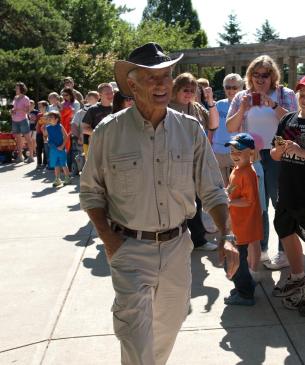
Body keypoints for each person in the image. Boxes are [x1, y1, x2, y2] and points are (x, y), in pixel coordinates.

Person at [79, 42, 239, 365]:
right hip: (130, 250)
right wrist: (110, 242)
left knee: (168, 327)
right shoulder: (108, 133)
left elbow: (213, 190)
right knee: (136, 339)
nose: (162, 84)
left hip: (178, 248)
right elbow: (91, 193)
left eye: (166, 76)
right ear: (132, 84)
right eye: (152, 78)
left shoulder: (191, 131)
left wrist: (227, 235)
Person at [226, 55, 298, 269]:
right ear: (250, 76)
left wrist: (273, 105)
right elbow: (230, 127)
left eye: (265, 75)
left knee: (281, 203)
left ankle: (285, 252)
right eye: (255, 75)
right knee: (258, 206)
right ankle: (263, 249)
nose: (260, 79)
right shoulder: (241, 96)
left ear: (273, 76)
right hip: (252, 157)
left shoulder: (285, 94)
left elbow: (295, 122)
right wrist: (243, 109)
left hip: (279, 155)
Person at [170, 72, 219, 251]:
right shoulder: (166, 107)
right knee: (176, 203)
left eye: (192, 90)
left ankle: (198, 240)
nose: (189, 93)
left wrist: (211, 101)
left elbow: (213, 125)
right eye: (185, 90)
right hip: (173, 163)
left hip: (195, 161)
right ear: (176, 90)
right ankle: (177, 241)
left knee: (196, 203)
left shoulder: (196, 107)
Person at [270, 77, 305, 309]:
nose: (304, 98)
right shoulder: (287, 119)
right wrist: (280, 149)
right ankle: (298, 277)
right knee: (284, 228)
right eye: (302, 93)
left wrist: (300, 151)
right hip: (288, 189)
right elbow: (273, 154)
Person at [224, 133, 263, 305]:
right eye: (232, 150)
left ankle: (246, 293)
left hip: (243, 226)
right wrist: (225, 193)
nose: (234, 154)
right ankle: (244, 285)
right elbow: (233, 188)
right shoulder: (238, 169)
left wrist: (229, 201)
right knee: (236, 259)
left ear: (251, 154)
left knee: (233, 261)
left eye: (239, 151)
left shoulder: (246, 173)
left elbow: (249, 200)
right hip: (237, 225)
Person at [212, 73, 243, 186]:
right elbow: (212, 127)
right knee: (222, 188)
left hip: (236, 151)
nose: (231, 90)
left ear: (241, 88)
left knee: (236, 186)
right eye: (228, 87)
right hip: (218, 151)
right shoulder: (219, 104)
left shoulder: (245, 105)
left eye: (234, 87)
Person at [81, 83, 113, 157]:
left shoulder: (117, 108)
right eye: (107, 93)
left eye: (111, 92)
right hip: (96, 147)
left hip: (112, 146)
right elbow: (84, 129)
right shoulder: (93, 109)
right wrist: (101, 134)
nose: (110, 95)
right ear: (100, 95)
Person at [43, 111, 71, 187]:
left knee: (63, 164)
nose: (49, 119)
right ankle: (57, 179)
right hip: (53, 149)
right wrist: (44, 133)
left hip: (61, 148)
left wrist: (62, 146)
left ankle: (67, 178)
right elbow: (45, 136)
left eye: (51, 118)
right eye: (48, 118)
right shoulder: (47, 127)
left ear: (57, 119)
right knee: (56, 165)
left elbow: (66, 136)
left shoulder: (60, 126)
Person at [11, 82, 34, 163]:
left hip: (23, 120)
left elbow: (28, 110)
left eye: (17, 88)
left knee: (28, 139)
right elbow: (14, 108)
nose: (15, 89)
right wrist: (12, 111)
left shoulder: (26, 98)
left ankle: (31, 157)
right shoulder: (15, 97)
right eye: (16, 88)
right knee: (18, 139)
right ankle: (20, 157)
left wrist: (18, 110)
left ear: (21, 89)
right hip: (15, 120)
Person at [36, 100, 49, 169]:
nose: (39, 108)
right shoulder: (38, 115)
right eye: (39, 107)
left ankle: (45, 163)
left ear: (45, 107)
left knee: (45, 149)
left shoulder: (49, 115)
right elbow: (37, 124)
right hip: (39, 133)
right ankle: (39, 163)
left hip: (46, 134)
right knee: (38, 148)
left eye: (40, 107)